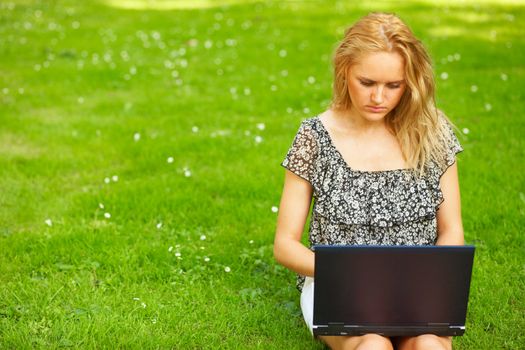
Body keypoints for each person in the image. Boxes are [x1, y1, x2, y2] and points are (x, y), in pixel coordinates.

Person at [273, 12, 464, 350]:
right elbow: (285, 245)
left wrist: (434, 288)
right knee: (374, 344)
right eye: (367, 82)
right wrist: (353, 274)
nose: (379, 98)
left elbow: (451, 230)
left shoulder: (431, 133)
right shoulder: (315, 136)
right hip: (339, 285)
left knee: (429, 345)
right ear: (344, 70)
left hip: (415, 288)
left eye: (394, 85)